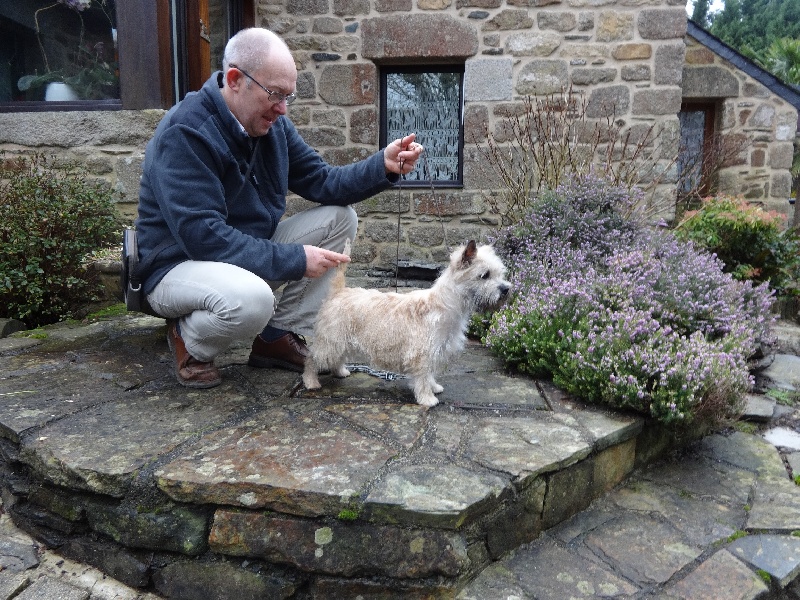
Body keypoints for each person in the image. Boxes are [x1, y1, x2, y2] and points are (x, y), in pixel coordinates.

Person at [135, 27, 423, 389]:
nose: (283, 108)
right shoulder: (186, 132)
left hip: (235, 256)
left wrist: (383, 164)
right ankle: (189, 339)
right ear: (236, 80)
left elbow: (324, 182)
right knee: (252, 301)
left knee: (339, 218)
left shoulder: (272, 127)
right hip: (174, 266)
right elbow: (204, 238)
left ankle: (276, 337)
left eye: (289, 96)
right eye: (275, 94)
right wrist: (295, 260)